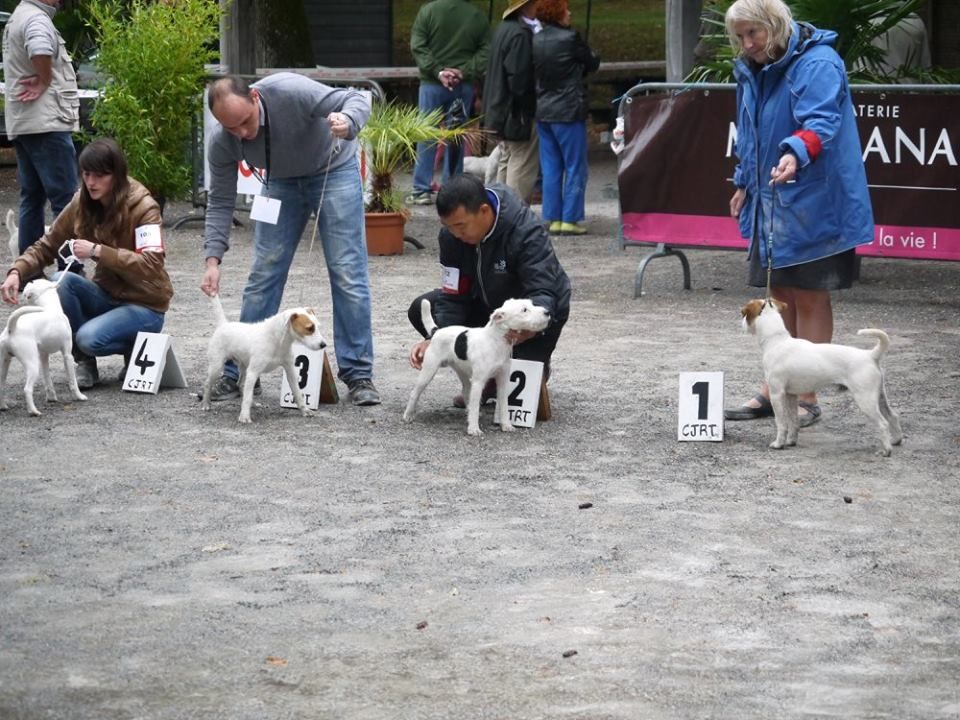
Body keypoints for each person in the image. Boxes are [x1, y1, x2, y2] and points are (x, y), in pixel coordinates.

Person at [722, 0, 874, 427]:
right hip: (771, 198)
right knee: (780, 296)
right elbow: (748, 132)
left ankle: (805, 396)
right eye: (740, 36)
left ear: (775, 26)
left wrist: (794, 152)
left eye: (754, 34)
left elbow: (820, 122)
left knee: (809, 295)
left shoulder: (819, 63)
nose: (747, 44)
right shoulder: (750, 70)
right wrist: (743, 181)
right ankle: (776, 390)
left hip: (815, 199)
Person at [200, 74, 381, 406]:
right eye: (231, 128)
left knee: (347, 272)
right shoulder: (222, 141)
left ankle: (358, 374)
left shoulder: (292, 91)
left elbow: (357, 99)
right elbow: (221, 201)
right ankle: (239, 373)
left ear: (255, 98)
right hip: (279, 183)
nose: (241, 133)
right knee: (263, 274)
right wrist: (213, 260)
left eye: (245, 122)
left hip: (333, 169)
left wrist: (348, 121)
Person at [1, 138, 173, 389]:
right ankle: (85, 363)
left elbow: (152, 263)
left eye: (100, 175)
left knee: (88, 338)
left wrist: (98, 251)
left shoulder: (145, 207)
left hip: (145, 303)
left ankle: (137, 347)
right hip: (107, 293)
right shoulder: (82, 202)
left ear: (116, 175)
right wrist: (17, 271)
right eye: (86, 174)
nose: (91, 182)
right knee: (60, 282)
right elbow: (47, 245)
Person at [407, 174, 570, 407]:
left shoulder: (525, 230)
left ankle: (529, 362)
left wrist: (530, 330)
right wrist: (434, 339)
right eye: (448, 227)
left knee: (523, 401)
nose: (455, 234)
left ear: (484, 211)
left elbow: (543, 291)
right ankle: (482, 376)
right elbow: (454, 294)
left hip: (534, 315)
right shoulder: (451, 237)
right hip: (487, 311)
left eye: (461, 226)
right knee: (422, 308)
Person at [2, 0, 80, 272]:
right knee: (66, 202)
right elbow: (40, 48)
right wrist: (45, 78)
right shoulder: (36, 19)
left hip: (25, 123)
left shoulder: (18, 16)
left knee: (32, 198)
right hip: (47, 123)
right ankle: (70, 271)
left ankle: (28, 271)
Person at [406, 0, 490, 206]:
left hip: (431, 84)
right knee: (456, 137)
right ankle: (453, 188)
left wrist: (438, 71)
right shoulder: (476, 15)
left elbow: (418, 45)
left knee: (426, 135)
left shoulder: (428, 11)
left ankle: (421, 189)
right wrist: (465, 70)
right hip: (463, 86)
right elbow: (487, 50)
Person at [532, 0, 599, 237]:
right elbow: (592, 62)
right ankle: (571, 218)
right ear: (558, 14)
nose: (569, 13)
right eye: (566, 9)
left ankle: (553, 217)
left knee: (550, 167)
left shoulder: (536, 40)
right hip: (568, 110)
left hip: (544, 110)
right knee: (574, 166)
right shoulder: (571, 39)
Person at [481, 0, 541, 204]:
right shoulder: (521, 35)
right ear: (527, 5)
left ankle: (500, 210)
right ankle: (513, 214)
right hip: (516, 112)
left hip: (499, 109)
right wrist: (529, 107)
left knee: (506, 160)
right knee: (521, 163)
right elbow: (519, 79)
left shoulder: (503, 29)